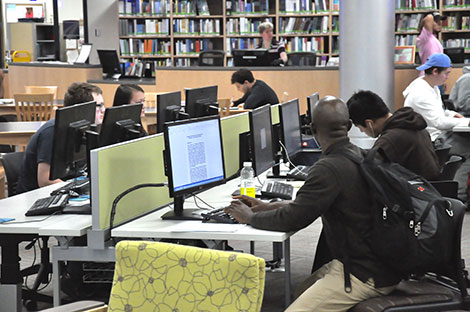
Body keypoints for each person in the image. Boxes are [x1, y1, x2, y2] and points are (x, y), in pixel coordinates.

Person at [226, 96, 399, 311]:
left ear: (313, 129)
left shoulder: (327, 168)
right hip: (377, 264)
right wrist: (265, 206)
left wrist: (251, 217)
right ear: (347, 126)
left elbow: (295, 218)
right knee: (298, 293)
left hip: (362, 274)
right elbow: (305, 205)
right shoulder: (358, 155)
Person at [403, 53, 470, 202]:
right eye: (446, 73)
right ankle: (459, 196)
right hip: (432, 140)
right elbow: (439, 122)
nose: (447, 77)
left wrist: (453, 114)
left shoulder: (427, 85)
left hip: (435, 136)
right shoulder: (421, 93)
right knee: (467, 150)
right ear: (435, 71)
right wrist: (466, 122)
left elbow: (439, 111)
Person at [16, 82, 104, 194]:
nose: (103, 110)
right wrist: (77, 191)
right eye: (99, 106)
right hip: (35, 198)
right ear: (83, 109)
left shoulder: (85, 129)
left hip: (64, 191)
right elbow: (45, 180)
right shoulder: (52, 132)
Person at [347, 90, 440, 180]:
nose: (362, 131)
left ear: (369, 123)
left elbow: (369, 170)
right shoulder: (412, 124)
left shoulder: (390, 139)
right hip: (428, 189)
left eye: (360, 128)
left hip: (414, 192)